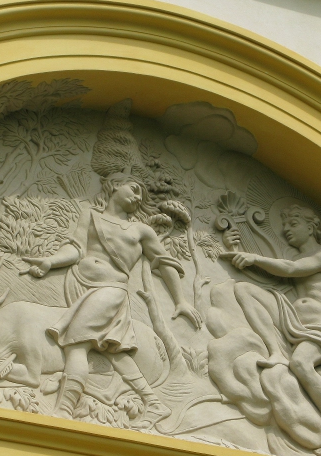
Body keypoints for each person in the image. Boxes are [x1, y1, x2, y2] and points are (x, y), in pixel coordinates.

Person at [23, 172, 202, 423]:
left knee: (76, 344)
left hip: (111, 290)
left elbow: (165, 263)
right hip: (79, 285)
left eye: (141, 195)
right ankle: (153, 403)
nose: (138, 197)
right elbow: (76, 248)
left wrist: (180, 300)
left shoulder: (141, 230)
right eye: (134, 189)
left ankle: (64, 409)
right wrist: (50, 261)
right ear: (115, 185)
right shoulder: (90, 215)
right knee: (114, 350)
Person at [222, 204, 321, 456]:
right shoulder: (297, 259)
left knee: (301, 363)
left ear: (312, 227)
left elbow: (291, 269)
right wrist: (235, 251)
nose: (286, 230)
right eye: (285, 225)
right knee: (244, 289)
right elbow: (272, 276)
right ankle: (275, 351)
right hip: (295, 323)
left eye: (293, 224)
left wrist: (254, 258)